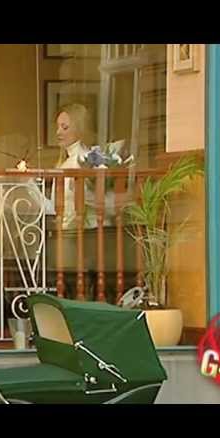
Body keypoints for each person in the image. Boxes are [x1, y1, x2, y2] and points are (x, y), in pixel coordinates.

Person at [48, 103, 137, 302]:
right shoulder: (68, 160)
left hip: (80, 236)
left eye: (65, 127)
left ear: (79, 128)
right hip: (69, 232)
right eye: (58, 127)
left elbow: (94, 198)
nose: (58, 132)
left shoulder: (84, 161)